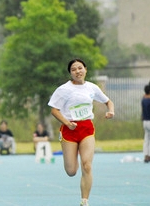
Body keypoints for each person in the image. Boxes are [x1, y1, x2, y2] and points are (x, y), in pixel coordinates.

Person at [48, 58, 114, 206]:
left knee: (87, 165)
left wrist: (111, 111)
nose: (77, 71)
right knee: (71, 171)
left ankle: (84, 201)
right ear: (70, 73)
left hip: (86, 129)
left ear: (85, 69)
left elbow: (108, 101)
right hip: (69, 129)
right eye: (73, 69)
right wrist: (66, 122)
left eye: (80, 68)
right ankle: (73, 156)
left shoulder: (92, 88)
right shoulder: (64, 89)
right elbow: (54, 110)